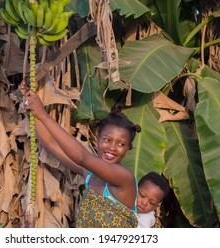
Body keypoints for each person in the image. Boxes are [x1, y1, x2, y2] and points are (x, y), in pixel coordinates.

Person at [24, 90, 141, 228]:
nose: (112, 147)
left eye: (121, 144)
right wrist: (33, 109)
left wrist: (43, 115)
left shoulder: (124, 178)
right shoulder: (89, 173)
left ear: (128, 148)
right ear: (97, 139)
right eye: (107, 140)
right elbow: (50, 143)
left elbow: (82, 157)